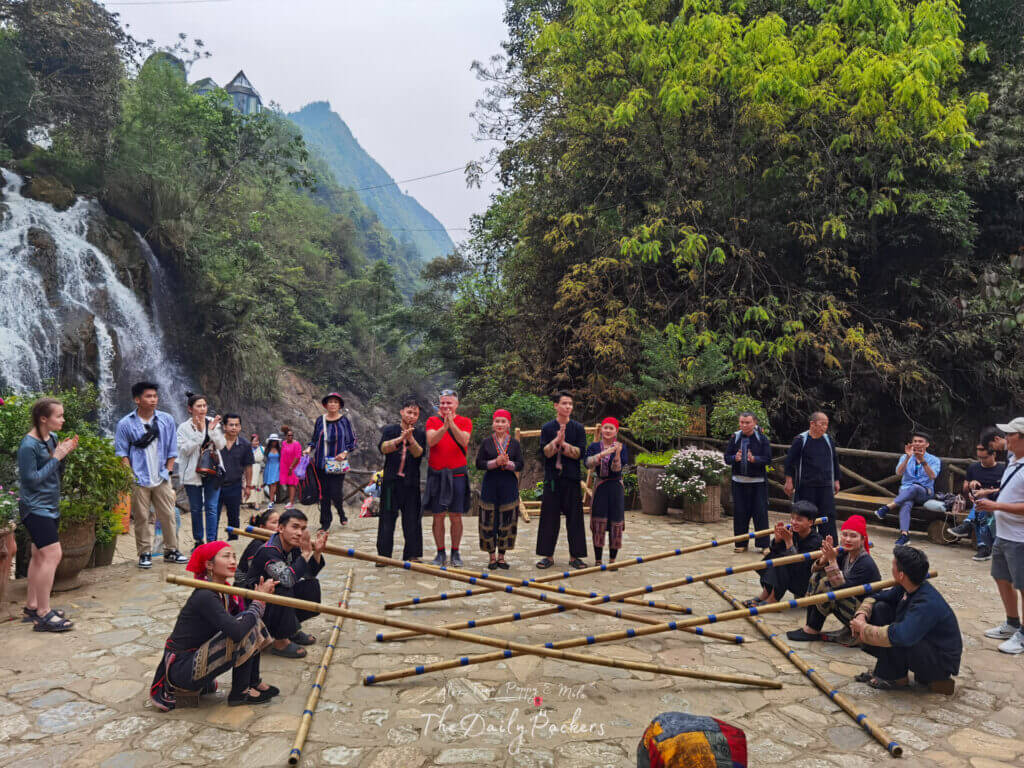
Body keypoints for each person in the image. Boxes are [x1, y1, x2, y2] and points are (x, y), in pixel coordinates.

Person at [149, 541, 278, 710]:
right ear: (209, 565)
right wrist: (258, 602)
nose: (233, 561)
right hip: (181, 670)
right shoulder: (205, 595)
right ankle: (241, 692)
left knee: (252, 622)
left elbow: (243, 621)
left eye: (234, 556)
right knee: (246, 626)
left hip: (191, 662)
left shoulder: (223, 591)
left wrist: (257, 604)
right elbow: (238, 632)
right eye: (226, 556)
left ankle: (252, 683)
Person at [850, 545, 961, 693]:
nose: (892, 568)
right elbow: (876, 597)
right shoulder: (906, 586)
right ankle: (891, 673)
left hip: (938, 662)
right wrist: (861, 615)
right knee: (880, 609)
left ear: (901, 575)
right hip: (920, 644)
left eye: (894, 565)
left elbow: (900, 636)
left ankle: (894, 677)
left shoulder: (926, 603)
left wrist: (863, 628)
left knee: (898, 634)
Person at [18, 397, 78, 631]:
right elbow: (31, 481)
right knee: (53, 555)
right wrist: (57, 457)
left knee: (39, 555)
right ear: (44, 419)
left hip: (50, 505)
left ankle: (33, 605)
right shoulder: (28, 446)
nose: (63, 420)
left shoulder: (51, 438)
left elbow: (55, 473)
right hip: (34, 507)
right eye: (59, 416)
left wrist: (64, 452)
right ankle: (43, 613)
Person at [115, 381, 187, 569]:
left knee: (168, 515)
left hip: (162, 476)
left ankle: (171, 550)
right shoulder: (125, 424)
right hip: (139, 478)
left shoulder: (166, 420)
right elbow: (121, 451)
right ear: (137, 400)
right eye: (148, 396)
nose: (153, 399)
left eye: (155, 396)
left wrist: (168, 472)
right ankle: (144, 553)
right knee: (141, 517)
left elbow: (172, 448)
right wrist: (130, 475)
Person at [242, 509, 327, 659]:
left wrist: (317, 553)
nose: (299, 533)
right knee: (283, 588)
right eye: (294, 527)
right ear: (281, 528)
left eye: (302, 528)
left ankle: (290, 629)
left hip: (273, 597)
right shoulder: (268, 550)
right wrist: (306, 553)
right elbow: (287, 579)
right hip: (254, 604)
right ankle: (280, 642)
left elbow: (308, 574)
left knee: (311, 586)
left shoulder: (291, 546)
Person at [785, 514, 880, 644]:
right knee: (818, 576)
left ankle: (812, 629)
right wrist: (825, 558)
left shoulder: (866, 563)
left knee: (827, 584)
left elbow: (841, 587)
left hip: (865, 614)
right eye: (845, 535)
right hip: (849, 603)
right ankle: (810, 628)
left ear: (863, 539)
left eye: (853, 536)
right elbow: (814, 570)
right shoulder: (845, 553)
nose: (848, 539)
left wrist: (832, 560)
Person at [976, 417, 1024, 654]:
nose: (1005, 439)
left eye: (1010, 435)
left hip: (1020, 537)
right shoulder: (1014, 461)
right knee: (1001, 577)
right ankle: (1012, 622)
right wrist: (992, 495)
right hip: (1004, 534)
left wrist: (996, 507)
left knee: (1023, 585)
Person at [536, 391, 589, 570]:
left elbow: (580, 454)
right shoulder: (547, 428)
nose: (568, 407)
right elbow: (545, 452)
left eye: (570, 404)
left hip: (572, 478)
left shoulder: (578, 428)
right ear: (556, 406)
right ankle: (547, 556)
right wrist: (556, 440)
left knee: (575, 518)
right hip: (552, 479)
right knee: (549, 518)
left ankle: (576, 556)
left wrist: (564, 445)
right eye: (564, 403)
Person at [424, 389, 473, 567]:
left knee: (456, 516)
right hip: (437, 474)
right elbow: (431, 441)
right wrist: (444, 426)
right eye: (442, 403)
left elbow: (463, 441)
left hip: (457, 474)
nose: (445, 406)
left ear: (456, 404)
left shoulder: (465, 421)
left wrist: (451, 424)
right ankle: (439, 552)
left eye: (449, 403)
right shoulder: (431, 421)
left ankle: (455, 552)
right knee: (437, 515)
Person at [744, 500, 822, 606]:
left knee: (784, 562)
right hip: (792, 575)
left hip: (806, 584)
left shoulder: (816, 540)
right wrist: (778, 540)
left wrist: (788, 542)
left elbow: (799, 564)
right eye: (792, 518)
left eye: (799, 520)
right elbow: (775, 551)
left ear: (810, 522)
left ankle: (773, 599)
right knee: (773, 556)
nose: (794, 522)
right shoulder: (793, 531)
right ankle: (765, 594)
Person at [377, 397, 425, 563]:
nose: (412, 415)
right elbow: (383, 448)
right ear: (402, 412)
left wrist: (410, 439)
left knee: (412, 519)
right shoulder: (390, 430)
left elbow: (419, 453)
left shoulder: (420, 434)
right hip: (391, 483)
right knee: (387, 518)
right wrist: (400, 439)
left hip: (411, 484)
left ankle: (412, 554)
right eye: (409, 412)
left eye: (415, 413)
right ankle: (383, 555)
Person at [874, 430, 941, 548]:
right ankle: (904, 535)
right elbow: (899, 473)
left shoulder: (934, 460)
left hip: (925, 492)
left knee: (914, 487)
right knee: (906, 503)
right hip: (906, 492)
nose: (917, 444)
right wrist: (907, 458)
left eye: (920, 441)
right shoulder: (905, 456)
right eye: (915, 441)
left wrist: (923, 462)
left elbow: (933, 476)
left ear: (927, 444)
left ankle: (887, 508)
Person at [476, 409, 525, 569]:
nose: (500, 424)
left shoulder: (515, 444)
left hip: (508, 485)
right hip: (490, 485)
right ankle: (491, 557)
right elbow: (479, 463)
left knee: (507, 520)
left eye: (503, 421)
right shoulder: (486, 442)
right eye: (497, 421)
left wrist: (507, 464)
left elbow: (520, 464)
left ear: (508, 424)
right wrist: (495, 462)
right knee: (489, 520)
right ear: (493, 423)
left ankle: (502, 556)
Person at [176, 393, 226, 547]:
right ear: (190, 409)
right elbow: (184, 450)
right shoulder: (184, 428)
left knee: (211, 507)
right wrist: (198, 433)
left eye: (204, 405)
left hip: (212, 471)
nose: (203, 409)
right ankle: (199, 541)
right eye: (199, 406)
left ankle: (211, 541)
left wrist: (211, 431)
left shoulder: (213, 423)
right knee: (196, 508)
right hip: (192, 473)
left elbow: (221, 445)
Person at [948, 429, 1005, 561]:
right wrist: (971, 486)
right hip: (978, 503)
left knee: (982, 505)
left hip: (998, 503)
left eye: (985, 457)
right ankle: (983, 547)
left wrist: (986, 492)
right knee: (981, 509)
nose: (982, 461)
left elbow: (1006, 491)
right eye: (979, 458)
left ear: (994, 455)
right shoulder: (973, 467)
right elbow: (965, 489)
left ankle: (971, 528)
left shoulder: (1003, 469)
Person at [784, 411, 841, 544]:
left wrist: (836, 480)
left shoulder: (828, 440)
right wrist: (789, 480)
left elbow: (835, 461)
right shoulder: (801, 440)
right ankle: (802, 545)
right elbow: (789, 461)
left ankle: (831, 548)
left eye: (826, 425)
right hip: (806, 486)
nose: (824, 427)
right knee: (804, 517)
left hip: (825, 486)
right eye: (822, 424)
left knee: (828, 518)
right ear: (812, 424)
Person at [306, 393, 357, 530]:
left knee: (336, 492)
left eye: (335, 402)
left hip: (337, 463)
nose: (333, 404)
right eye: (330, 402)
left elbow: (352, 441)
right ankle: (325, 522)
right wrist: (309, 448)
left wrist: (344, 452)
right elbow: (315, 439)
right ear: (326, 405)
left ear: (339, 405)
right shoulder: (319, 420)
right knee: (324, 494)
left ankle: (341, 512)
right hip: (321, 463)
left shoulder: (344, 421)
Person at [724, 411, 772, 553]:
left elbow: (768, 459)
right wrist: (735, 458)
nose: (744, 425)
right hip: (738, 482)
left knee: (760, 513)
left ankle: (764, 545)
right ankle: (741, 543)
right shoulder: (735, 437)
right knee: (740, 513)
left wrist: (754, 459)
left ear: (754, 423)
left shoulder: (762, 439)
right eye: (742, 422)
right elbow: (727, 458)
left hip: (758, 483)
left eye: (747, 422)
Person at [585, 416, 629, 565]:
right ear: (601, 429)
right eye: (606, 427)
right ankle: (598, 560)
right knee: (599, 521)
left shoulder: (622, 447)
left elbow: (617, 468)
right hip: (601, 487)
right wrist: (604, 454)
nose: (608, 430)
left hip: (616, 487)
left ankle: (612, 559)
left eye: (611, 428)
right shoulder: (595, 446)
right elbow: (588, 463)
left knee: (615, 523)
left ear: (616, 431)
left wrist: (616, 453)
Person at [217, 414, 254, 542]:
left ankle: (233, 541)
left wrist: (248, 487)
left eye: (237, 425)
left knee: (233, 516)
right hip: (215, 485)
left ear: (240, 427)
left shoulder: (245, 445)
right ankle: (213, 542)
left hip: (235, 486)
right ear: (224, 427)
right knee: (213, 515)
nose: (234, 428)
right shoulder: (216, 442)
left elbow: (248, 467)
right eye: (231, 425)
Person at [236, 508, 281, 586]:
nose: (280, 526)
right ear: (262, 527)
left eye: (281, 522)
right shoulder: (257, 545)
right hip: (247, 587)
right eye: (274, 522)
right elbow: (253, 576)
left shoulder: (279, 542)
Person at [279, 425, 302, 509]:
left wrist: (291, 467)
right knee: (288, 484)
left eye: (292, 435)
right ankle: (289, 501)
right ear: (285, 436)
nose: (290, 437)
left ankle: (291, 502)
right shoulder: (284, 443)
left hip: (293, 467)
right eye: (288, 435)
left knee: (292, 484)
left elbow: (298, 456)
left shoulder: (296, 444)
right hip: (285, 466)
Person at [262, 434, 281, 507]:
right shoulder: (267, 449)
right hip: (269, 467)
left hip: (277, 468)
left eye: (275, 441)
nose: (274, 442)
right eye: (273, 441)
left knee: (274, 484)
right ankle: (272, 500)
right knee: (270, 485)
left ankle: (271, 501)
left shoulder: (280, 449)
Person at [247, 433, 265, 509]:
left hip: (258, 467)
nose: (255, 443)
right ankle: (251, 501)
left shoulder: (262, 449)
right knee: (250, 484)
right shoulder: (248, 449)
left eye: (257, 441)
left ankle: (256, 502)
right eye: (254, 441)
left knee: (257, 485)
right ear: (251, 441)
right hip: (250, 467)